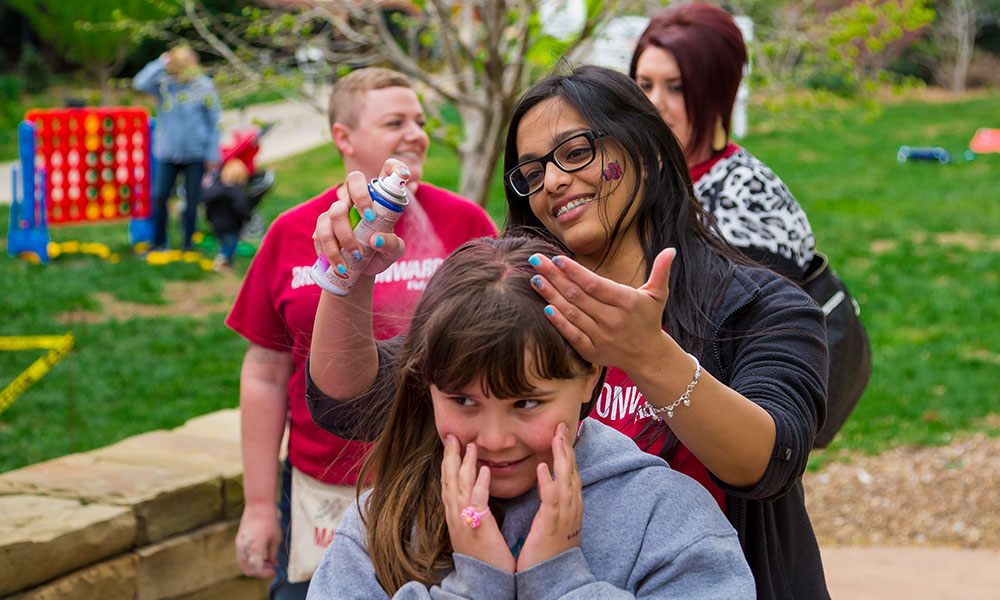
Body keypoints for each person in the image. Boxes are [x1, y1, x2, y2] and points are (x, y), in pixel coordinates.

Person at [310, 66, 830, 599]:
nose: (554, 180)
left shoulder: (756, 309)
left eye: (576, 152)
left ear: (649, 152)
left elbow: (770, 462)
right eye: (532, 171)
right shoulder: (521, 303)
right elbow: (349, 399)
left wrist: (647, 354)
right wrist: (350, 278)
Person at [304, 232, 754, 599]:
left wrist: (560, 580)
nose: (495, 440)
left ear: (589, 377)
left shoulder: (668, 519)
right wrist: (476, 585)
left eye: (525, 403)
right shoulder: (380, 524)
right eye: (463, 402)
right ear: (427, 386)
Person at [225, 68, 497, 599]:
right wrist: (258, 506)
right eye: (395, 122)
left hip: (438, 485)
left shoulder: (464, 224)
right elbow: (264, 374)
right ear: (343, 137)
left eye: (419, 121)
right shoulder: (291, 233)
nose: (416, 135)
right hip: (319, 495)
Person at [630, 2, 815, 281]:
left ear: (717, 93)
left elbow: (763, 307)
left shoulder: (751, 196)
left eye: (676, 88)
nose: (654, 103)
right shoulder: (632, 176)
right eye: (645, 85)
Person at [134, 45, 221, 251]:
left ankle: (188, 244)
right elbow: (139, 83)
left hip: (195, 153)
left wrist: (212, 153)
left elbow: (214, 123)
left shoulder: (204, 86)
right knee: (159, 197)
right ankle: (159, 242)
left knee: (191, 201)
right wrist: (160, 62)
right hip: (168, 153)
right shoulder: (165, 85)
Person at [203, 158, 255, 269]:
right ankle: (223, 262)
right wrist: (247, 217)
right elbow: (241, 209)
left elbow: (208, 204)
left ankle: (226, 262)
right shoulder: (237, 193)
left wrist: (209, 218)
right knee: (231, 244)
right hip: (232, 225)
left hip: (216, 223)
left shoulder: (216, 190)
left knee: (224, 242)